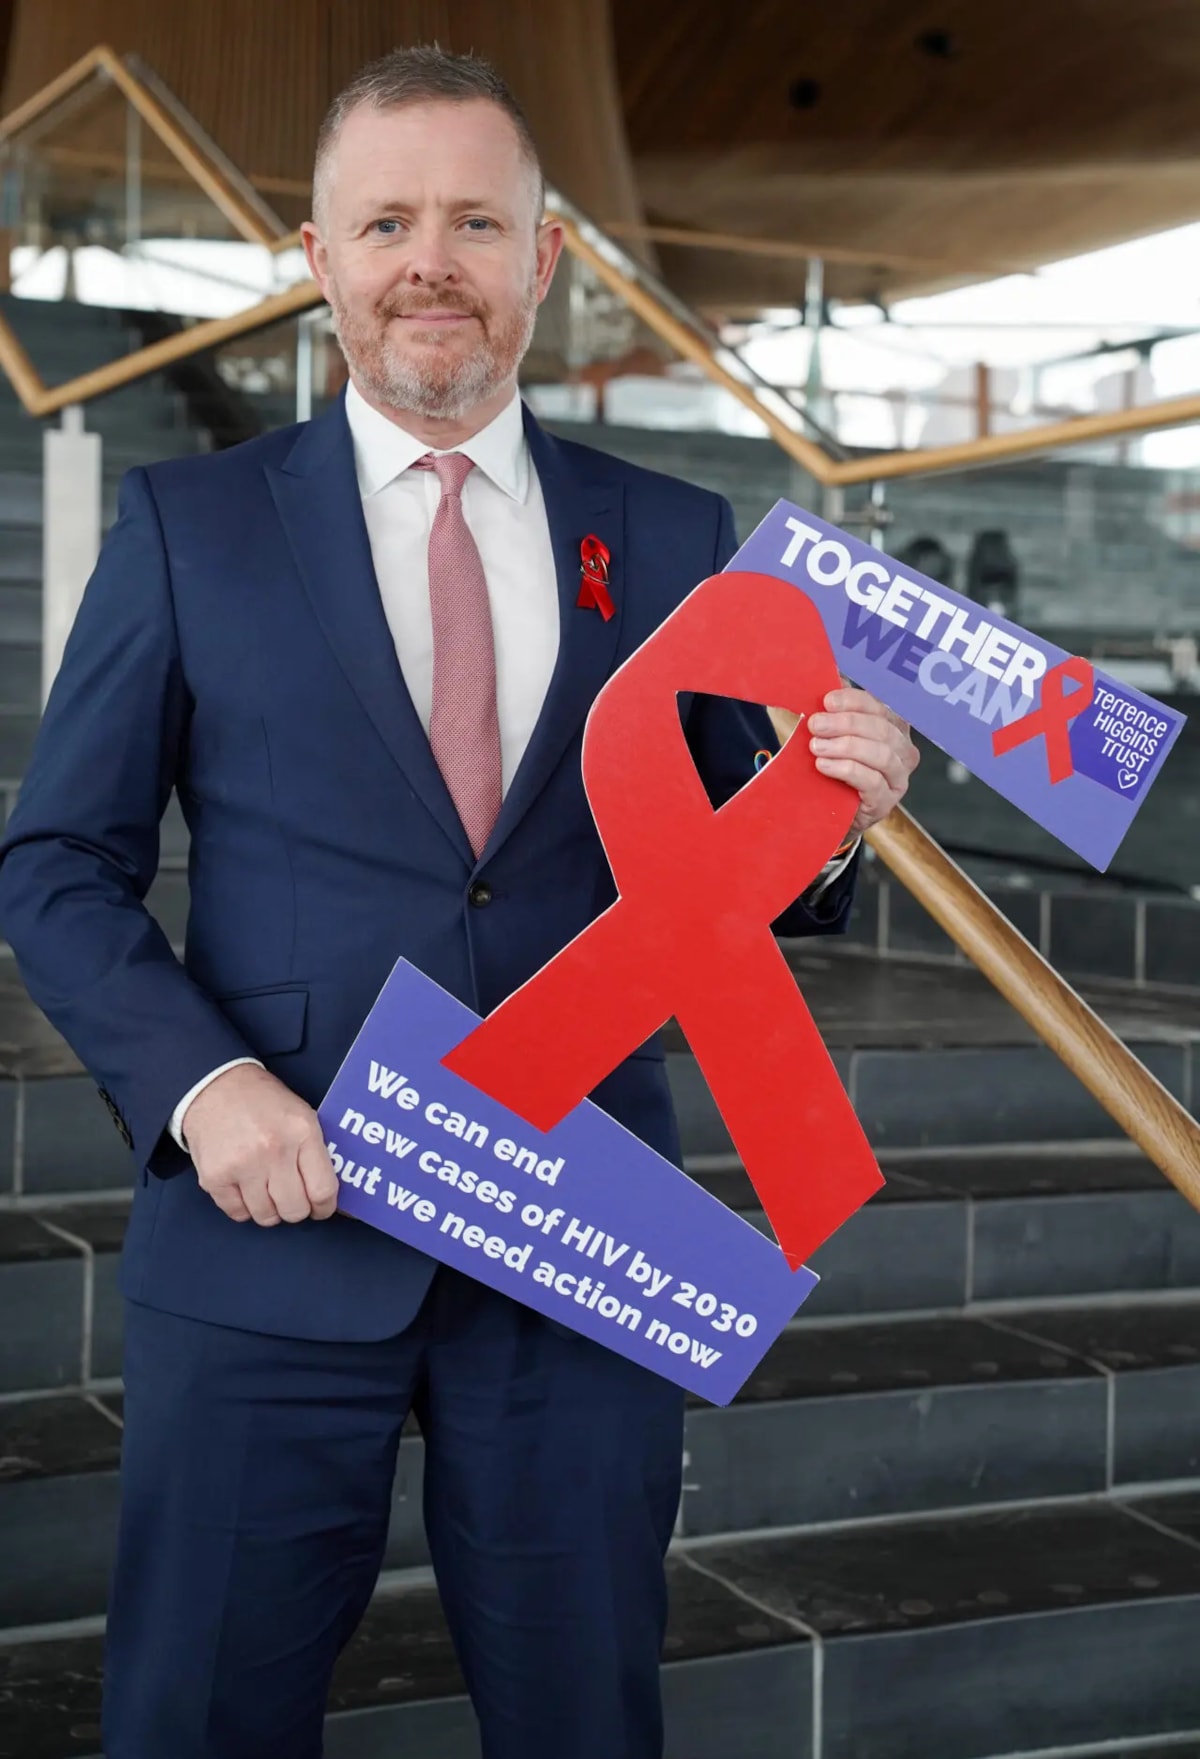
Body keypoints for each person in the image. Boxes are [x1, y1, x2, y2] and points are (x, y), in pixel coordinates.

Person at [0, 46, 918, 1759]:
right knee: (197, 1718)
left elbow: (749, 876)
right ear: (319, 254)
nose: (434, 258)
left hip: (576, 1244)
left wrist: (837, 811)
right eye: (391, 221)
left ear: (545, 261)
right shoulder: (187, 526)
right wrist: (205, 1091)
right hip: (275, 1233)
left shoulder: (676, 533)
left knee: (585, 1718)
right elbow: (57, 862)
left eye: (478, 220)